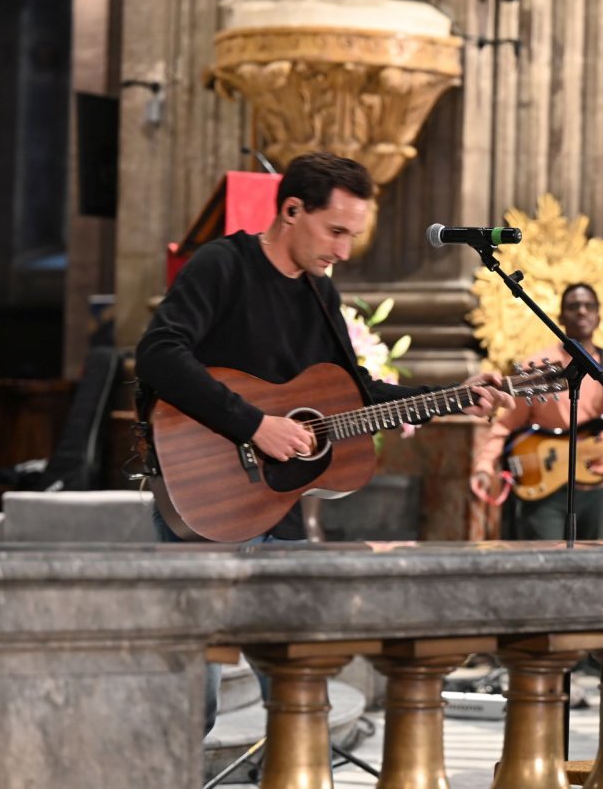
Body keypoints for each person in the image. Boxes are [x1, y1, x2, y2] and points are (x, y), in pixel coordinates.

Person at [135, 151, 512, 732]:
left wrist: (456, 395)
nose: (343, 250)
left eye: (352, 236)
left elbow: (357, 396)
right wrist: (255, 425)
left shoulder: (319, 294)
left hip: (278, 511)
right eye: (335, 231)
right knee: (192, 704)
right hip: (204, 499)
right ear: (291, 209)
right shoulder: (223, 266)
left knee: (301, 696)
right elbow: (159, 354)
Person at [469, 283, 603, 540]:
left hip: (601, 483)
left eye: (589, 306)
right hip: (545, 487)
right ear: (560, 317)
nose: (582, 312)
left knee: (596, 567)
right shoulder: (538, 366)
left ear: (599, 316)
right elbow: (506, 424)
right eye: (573, 306)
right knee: (546, 563)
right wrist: (484, 464)